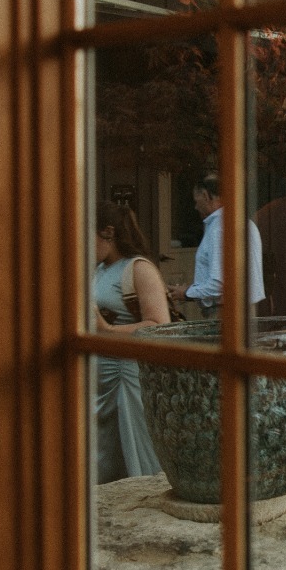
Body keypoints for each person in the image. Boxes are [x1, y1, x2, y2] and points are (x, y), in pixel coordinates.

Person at [93, 201, 171, 484]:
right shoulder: (98, 269)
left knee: (135, 442)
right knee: (102, 449)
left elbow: (160, 325)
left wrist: (108, 330)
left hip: (127, 374)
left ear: (108, 233)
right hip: (99, 375)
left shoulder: (138, 268)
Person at [169, 173, 267, 317]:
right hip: (244, 310)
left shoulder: (221, 227)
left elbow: (219, 283)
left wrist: (186, 293)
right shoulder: (245, 223)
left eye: (197, 200)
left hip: (225, 313)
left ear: (206, 195)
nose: (196, 207)